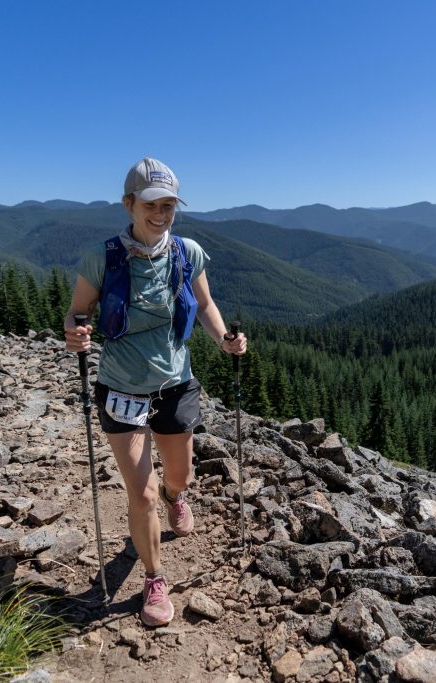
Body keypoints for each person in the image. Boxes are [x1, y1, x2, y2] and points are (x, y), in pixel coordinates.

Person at [64, 157, 247, 627]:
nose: (161, 213)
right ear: (129, 204)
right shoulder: (102, 258)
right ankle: (153, 576)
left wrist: (224, 339)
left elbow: (204, 304)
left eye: (169, 205)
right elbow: (78, 312)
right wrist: (76, 333)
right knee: (140, 494)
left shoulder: (187, 253)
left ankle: (176, 496)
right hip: (120, 387)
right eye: (151, 204)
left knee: (179, 476)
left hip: (175, 383)